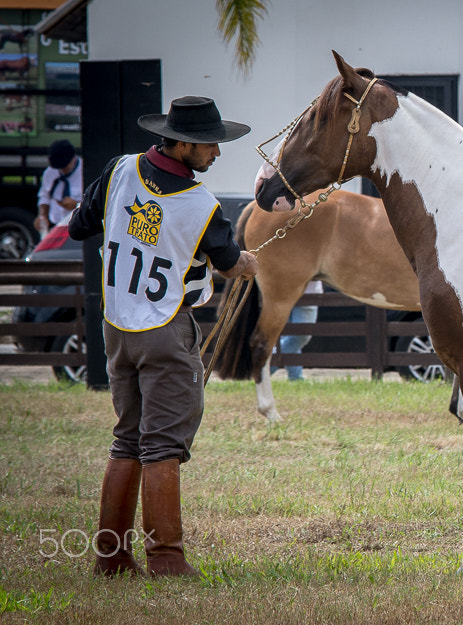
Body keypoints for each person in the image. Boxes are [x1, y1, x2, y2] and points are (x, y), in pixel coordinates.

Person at [68, 96, 258, 577]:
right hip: (166, 328)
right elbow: (231, 263)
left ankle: (110, 557)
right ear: (181, 144)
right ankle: (167, 558)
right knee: (163, 445)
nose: (216, 154)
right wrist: (248, 264)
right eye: (210, 145)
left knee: (126, 440)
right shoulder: (202, 204)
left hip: (116, 327)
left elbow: (79, 226)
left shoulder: (119, 170)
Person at [271, 280, 322, 381]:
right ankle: (295, 378)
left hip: (307, 293)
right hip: (280, 293)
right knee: (289, 338)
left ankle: (266, 368)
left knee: (301, 336)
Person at [34, 139, 84, 236]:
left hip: (77, 227)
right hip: (56, 226)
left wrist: (77, 205)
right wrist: (42, 215)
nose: (62, 170)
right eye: (59, 168)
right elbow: (44, 196)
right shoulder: (50, 172)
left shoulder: (84, 171)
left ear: (73, 158)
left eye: (65, 167)